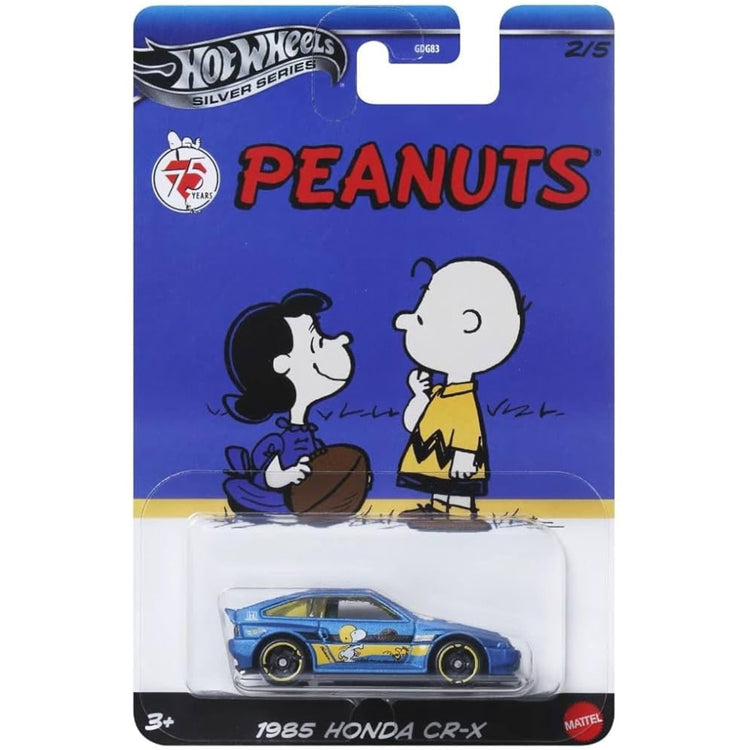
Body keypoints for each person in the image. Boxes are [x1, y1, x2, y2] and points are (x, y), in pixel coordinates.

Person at [393, 257, 525, 517]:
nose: (404, 322)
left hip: (456, 461)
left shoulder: (462, 398)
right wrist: (419, 395)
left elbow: (469, 430)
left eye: (422, 319)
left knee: (458, 489)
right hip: (432, 458)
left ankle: (461, 513)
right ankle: (438, 509)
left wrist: (465, 457)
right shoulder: (439, 393)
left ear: (469, 324)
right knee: (438, 485)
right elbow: (412, 424)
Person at [222, 289, 354, 513]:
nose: (343, 338)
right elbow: (270, 476)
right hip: (283, 500)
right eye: (317, 343)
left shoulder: (308, 435)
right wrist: (288, 476)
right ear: (283, 364)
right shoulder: (279, 441)